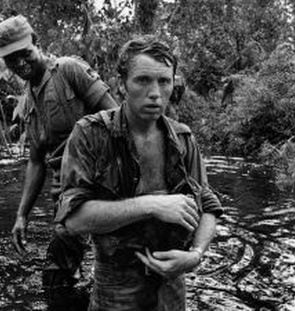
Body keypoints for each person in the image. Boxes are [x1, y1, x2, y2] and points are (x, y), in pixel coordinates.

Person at [56, 35, 222, 310]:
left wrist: (196, 254)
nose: (156, 93)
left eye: (164, 81)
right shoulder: (90, 134)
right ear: (121, 85)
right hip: (115, 292)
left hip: (172, 289)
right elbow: (73, 220)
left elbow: (208, 204)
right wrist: (150, 205)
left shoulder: (182, 139)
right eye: (143, 80)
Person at [0, 15, 118, 290]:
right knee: (64, 277)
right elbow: (36, 161)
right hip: (65, 193)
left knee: (58, 275)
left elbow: (117, 120)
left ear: (36, 43)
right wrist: (22, 215)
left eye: (25, 54)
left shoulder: (69, 71)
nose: (20, 64)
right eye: (11, 60)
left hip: (98, 182)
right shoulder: (27, 103)